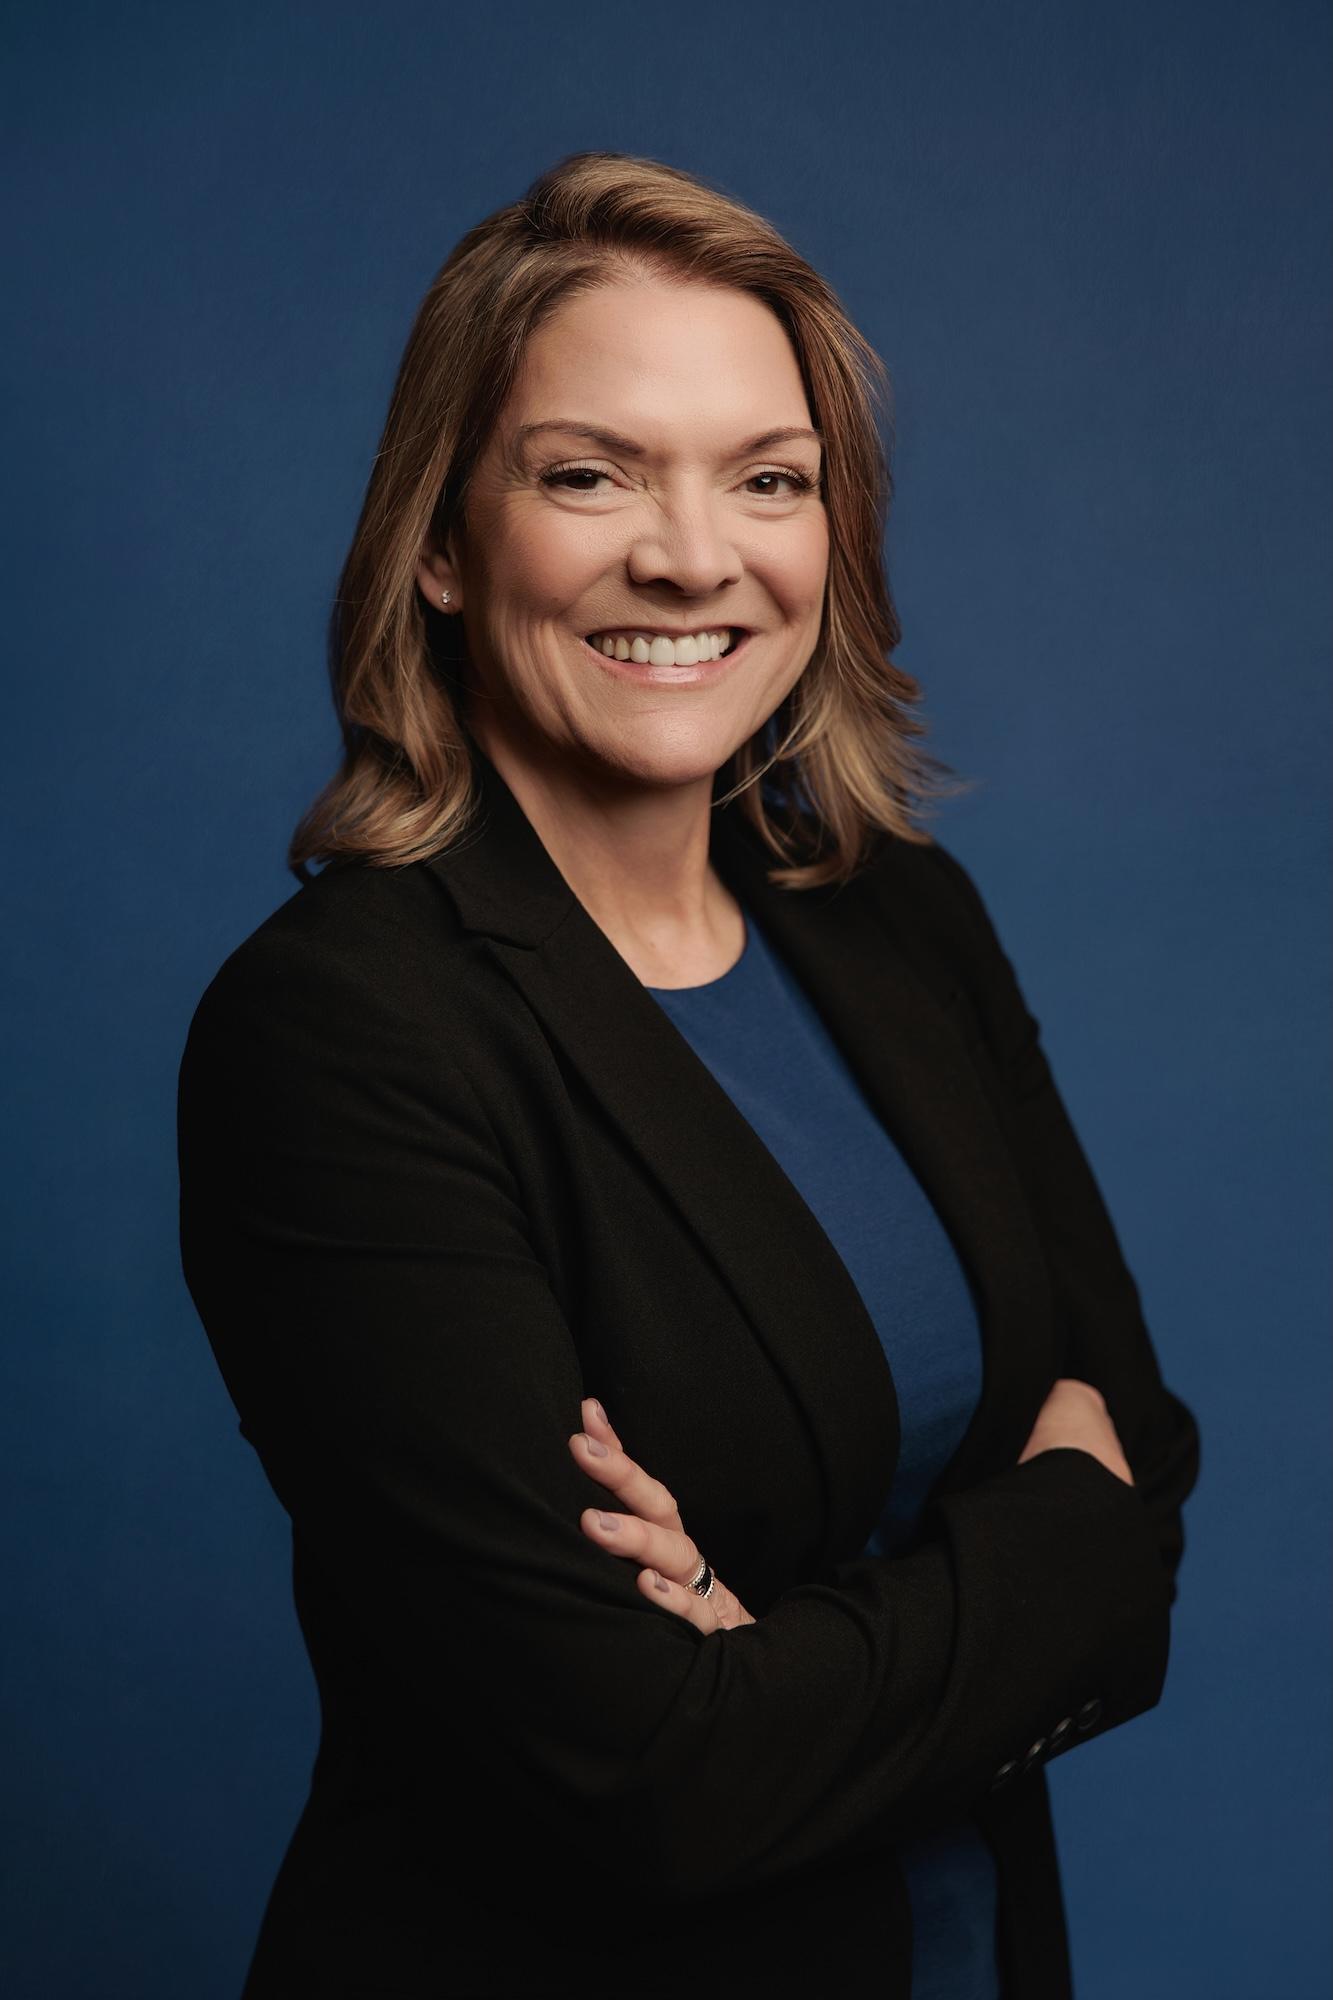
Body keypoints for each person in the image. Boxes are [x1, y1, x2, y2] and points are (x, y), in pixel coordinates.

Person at [176, 150, 1200, 1999]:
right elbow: (652, 1770)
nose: (690, 554)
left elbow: (1149, 1466)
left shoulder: (904, 925)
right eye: (588, 474)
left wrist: (774, 1655)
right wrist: (1051, 1551)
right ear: (436, 539)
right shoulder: (344, 1034)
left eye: (768, 480)